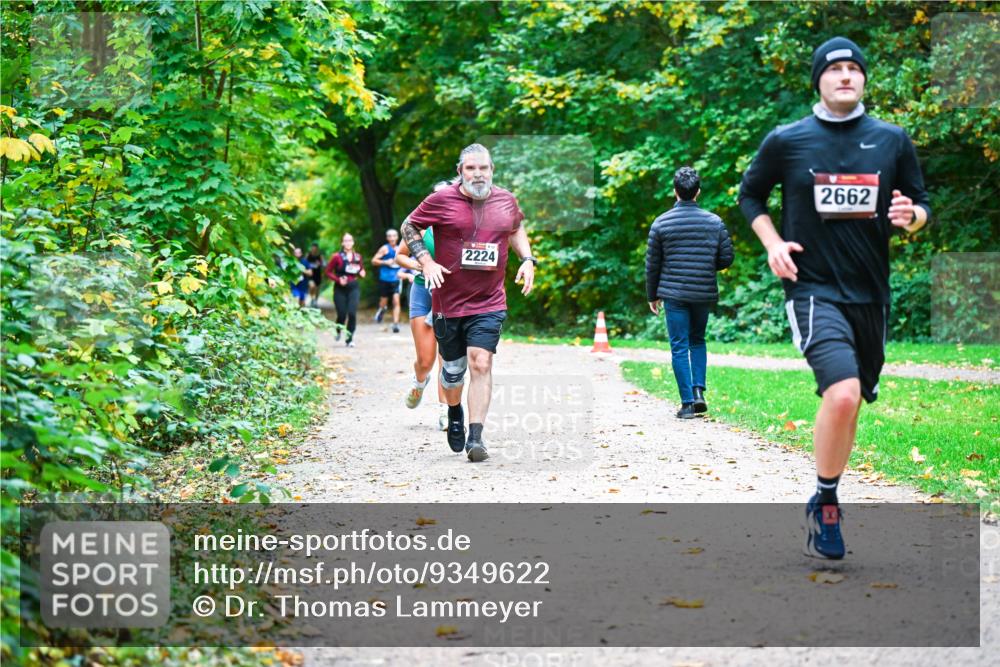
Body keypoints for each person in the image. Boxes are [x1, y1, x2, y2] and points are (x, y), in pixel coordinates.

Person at [738, 37, 930, 560]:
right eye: (835, 68)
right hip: (812, 288)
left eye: (854, 68)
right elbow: (749, 193)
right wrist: (773, 242)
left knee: (851, 403)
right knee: (841, 393)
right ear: (818, 80)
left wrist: (912, 217)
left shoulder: (891, 140)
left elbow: (921, 201)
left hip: (870, 294)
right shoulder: (789, 140)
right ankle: (826, 504)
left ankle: (826, 492)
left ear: (864, 79)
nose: (845, 75)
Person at [400, 144, 536, 462]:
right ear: (460, 170)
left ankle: (476, 437)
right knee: (452, 372)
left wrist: (527, 258)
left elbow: (516, 228)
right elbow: (410, 226)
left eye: (484, 168)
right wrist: (426, 262)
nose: (478, 174)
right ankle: (453, 410)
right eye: (471, 168)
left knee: (481, 362)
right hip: (448, 302)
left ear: (492, 171)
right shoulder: (441, 199)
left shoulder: (506, 200)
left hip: (489, 301)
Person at [645, 166, 734, 419]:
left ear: (675, 192)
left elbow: (652, 264)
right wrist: (706, 264)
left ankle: (686, 404)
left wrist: (652, 295)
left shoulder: (661, 223)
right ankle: (699, 393)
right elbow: (727, 257)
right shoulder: (714, 222)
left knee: (679, 345)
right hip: (702, 292)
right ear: (698, 192)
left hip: (673, 293)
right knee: (697, 340)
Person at [396, 208, 450, 431]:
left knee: (447, 357)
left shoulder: (460, 230)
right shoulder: (419, 229)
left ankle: (446, 411)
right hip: (422, 293)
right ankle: (419, 382)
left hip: (449, 296)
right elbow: (400, 255)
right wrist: (420, 265)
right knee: (426, 360)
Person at [325, 233, 366, 347]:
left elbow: (361, 270)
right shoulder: (336, 257)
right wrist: (338, 280)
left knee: (352, 313)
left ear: (353, 242)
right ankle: (338, 330)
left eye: (350, 240)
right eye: (345, 241)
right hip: (340, 289)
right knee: (342, 314)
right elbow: (328, 271)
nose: (348, 243)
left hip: (353, 288)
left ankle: (349, 338)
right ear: (342, 243)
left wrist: (362, 273)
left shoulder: (358, 257)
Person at [371, 229, 402, 333]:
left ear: (397, 237)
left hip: (396, 279)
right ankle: (382, 310)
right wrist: (385, 262)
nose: (392, 238)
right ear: (387, 238)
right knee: (384, 302)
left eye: (394, 236)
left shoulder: (400, 248)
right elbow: (374, 261)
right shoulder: (385, 249)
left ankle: (396, 324)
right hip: (384, 279)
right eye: (390, 236)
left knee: (396, 301)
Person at [305, 243, 325, 307]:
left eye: (315, 248)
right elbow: (304, 263)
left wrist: (320, 264)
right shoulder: (308, 255)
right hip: (310, 275)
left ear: (317, 249)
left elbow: (324, 265)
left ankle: (315, 301)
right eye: (313, 248)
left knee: (317, 289)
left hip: (318, 275)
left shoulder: (320, 256)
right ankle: (312, 299)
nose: (314, 249)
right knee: (312, 286)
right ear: (311, 248)